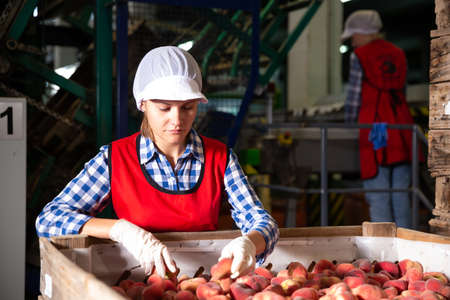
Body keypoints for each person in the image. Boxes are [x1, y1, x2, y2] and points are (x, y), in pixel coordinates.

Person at [36, 46, 279, 279]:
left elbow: (262, 220)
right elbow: (49, 219)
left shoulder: (220, 158)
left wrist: (250, 242)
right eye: (164, 108)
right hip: (136, 280)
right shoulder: (116, 159)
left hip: (203, 279)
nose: (177, 120)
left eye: (187, 107)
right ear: (143, 104)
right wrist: (120, 230)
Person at [342, 10, 419, 229]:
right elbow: (402, 91)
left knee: (378, 196)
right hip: (402, 129)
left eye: (354, 35)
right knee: (402, 196)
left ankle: (385, 255)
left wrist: (349, 127)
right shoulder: (399, 53)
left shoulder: (359, 56)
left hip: (375, 131)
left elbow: (354, 98)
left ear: (364, 32)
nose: (354, 41)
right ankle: (409, 248)